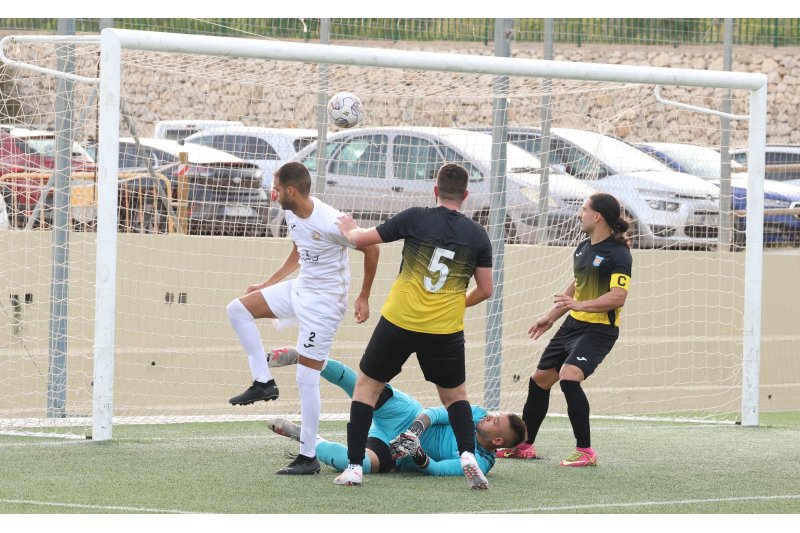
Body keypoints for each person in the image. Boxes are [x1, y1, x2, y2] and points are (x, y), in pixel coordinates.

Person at [333, 163, 494, 489]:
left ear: (435, 190)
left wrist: (349, 228)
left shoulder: (416, 217)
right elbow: (487, 289)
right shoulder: (478, 235)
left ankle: (353, 467)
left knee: (367, 388)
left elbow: (362, 239)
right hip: (445, 328)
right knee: (455, 397)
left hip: (400, 320)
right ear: (465, 195)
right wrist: (454, 303)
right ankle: (466, 455)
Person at [225, 161, 379, 475]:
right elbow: (299, 250)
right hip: (301, 290)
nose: (273, 193)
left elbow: (372, 247)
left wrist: (363, 296)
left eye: (277, 188)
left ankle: (307, 456)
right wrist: (267, 284)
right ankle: (263, 381)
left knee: (306, 379)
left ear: (291, 191)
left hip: (324, 305)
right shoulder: (292, 212)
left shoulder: (332, 221)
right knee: (238, 309)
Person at [496, 192, 632, 467]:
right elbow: (577, 286)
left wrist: (578, 304)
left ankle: (585, 451)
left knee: (569, 377)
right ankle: (525, 446)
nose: (578, 215)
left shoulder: (619, 254)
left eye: (583, 210)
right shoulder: (583, 247)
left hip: (599, 331)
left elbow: (618, 296)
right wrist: (551, 316)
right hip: (573, 325)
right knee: (540, 380)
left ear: (597, 216)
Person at [263, 347, 526, 480]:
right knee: (362, 387)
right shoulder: (476, 412)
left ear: (498, 441)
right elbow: (433, 413)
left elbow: (434, 470)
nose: (489, 416)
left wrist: (415, 449)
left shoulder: (480, 464)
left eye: (496, 421)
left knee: (355, 465)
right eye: (495, 414)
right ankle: (305, 357)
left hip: (398, 452)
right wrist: (414, 431)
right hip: (406, 414)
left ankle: (303, 436)